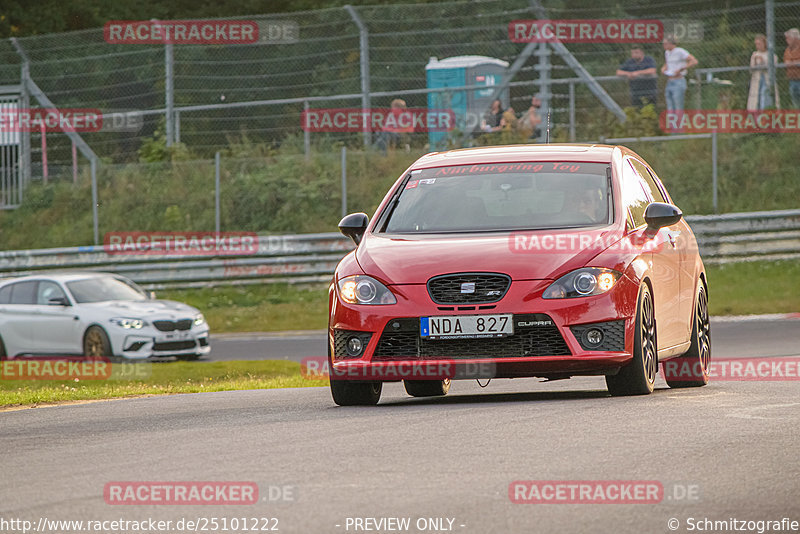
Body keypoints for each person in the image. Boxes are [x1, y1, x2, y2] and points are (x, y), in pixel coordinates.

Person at [660, 35, 698, 111]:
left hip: (679, 81)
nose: (664, 45)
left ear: (671, 43)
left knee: (678, 107)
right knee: (670, 107)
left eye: (666, 43)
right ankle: (672, 123)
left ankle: (679, 122)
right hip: (670, 81)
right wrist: (664, 68)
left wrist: (682, 69)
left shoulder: (680, 51)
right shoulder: (667, 53)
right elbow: (668, 63)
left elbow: (694, 61)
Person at [747, 34, 780, 111]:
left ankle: (764, 117)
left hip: (767, 79)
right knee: (755, 100)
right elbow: (751, 69)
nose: (757, 46)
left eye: (759, 44)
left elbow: (773, 69)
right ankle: (755, 119)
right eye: (756, 44)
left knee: (764, 98)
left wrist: (763, 62)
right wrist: (755, 62)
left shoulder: (771, 55)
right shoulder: (754, 54)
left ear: (764, 43)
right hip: (757, 80)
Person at [784, 28, 800, 109]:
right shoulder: (787, 50)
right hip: (792, 80)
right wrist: (795, 62)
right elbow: (786, 63)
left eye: (788, 38)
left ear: (795, 38)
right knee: (795, 103)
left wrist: (793, 62)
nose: (787, 40)